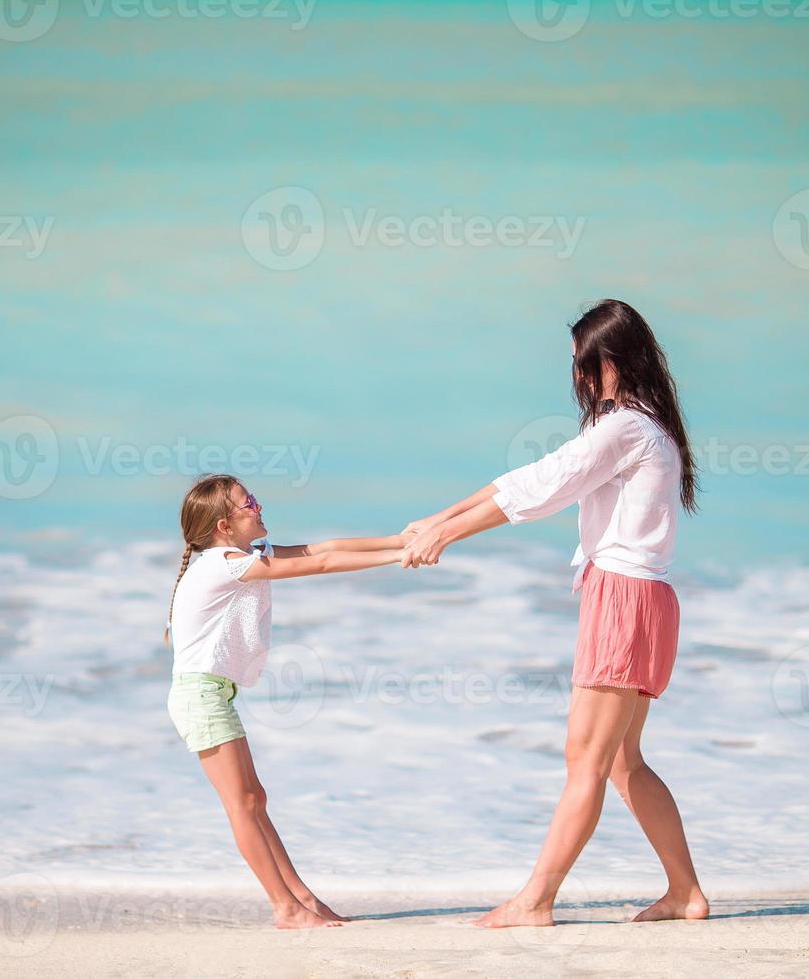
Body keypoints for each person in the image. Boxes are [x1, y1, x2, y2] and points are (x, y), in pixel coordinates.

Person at [401, 299, 709, 927]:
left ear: (611, 362)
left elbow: (540, 492)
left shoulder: (625, 429)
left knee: (587, 760)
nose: (576, 378)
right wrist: (439, 519)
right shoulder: (645, 425)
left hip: (623, 599)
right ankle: (685, 893)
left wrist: (448, 535)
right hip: (644, 599)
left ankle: (535, 900)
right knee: (623, 761)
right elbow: (537, 475)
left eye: (582, 364)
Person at [165, 473, 408, 929]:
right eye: (248, 502)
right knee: (242, 804)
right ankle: (285, 907)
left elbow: (322, 548)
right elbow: (321, 566)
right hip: (200, 696)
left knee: (254, 798)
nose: (258, 506)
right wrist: (401, 556)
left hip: (211, 694)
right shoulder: (224, 564)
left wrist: (399, 539)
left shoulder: (239, 556)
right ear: (224, 525)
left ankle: (302, 898)